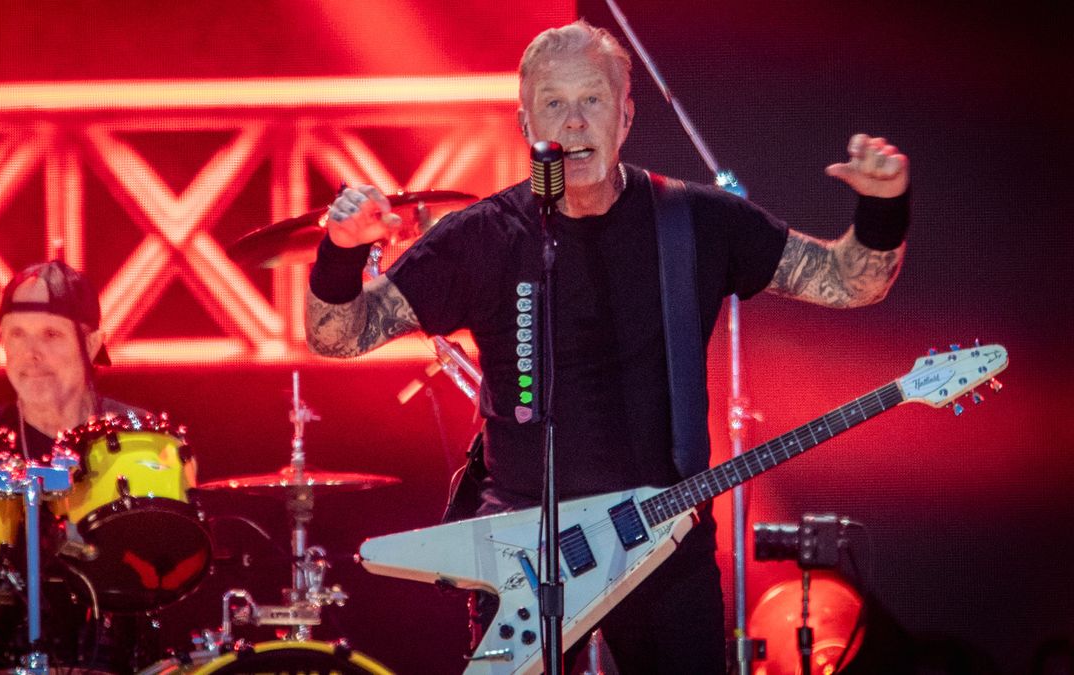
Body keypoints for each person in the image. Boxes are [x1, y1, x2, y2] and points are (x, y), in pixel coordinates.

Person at [304, 20, 908, 673]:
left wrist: (883, 210)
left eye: (591, 100)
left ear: (625, 114)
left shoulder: (694, 221)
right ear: (524, 121)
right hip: (524, 552)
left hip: (665, 546)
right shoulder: (482, 237)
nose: (573, 122)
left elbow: (850, 282)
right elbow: (338, 333)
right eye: (553, 105)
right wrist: (341, 252)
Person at [0, 260, 155, 672]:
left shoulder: (142, 443)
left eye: (52, 335)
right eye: (16, 335)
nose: (31, 353)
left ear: (93, 344)